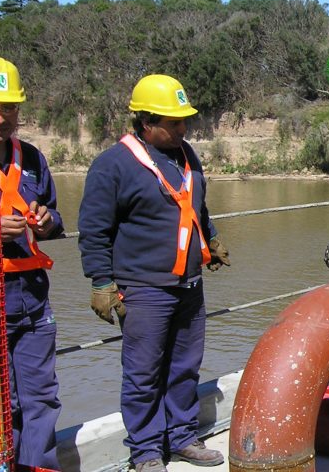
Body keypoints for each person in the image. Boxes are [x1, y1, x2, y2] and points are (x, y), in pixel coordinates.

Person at [77, 74, 230, 472]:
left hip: (188, 284)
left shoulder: (186, 155)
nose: (183, 129)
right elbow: (94, 229)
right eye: (173, 123)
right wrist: (101, 281)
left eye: (184, 121)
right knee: (144, 374)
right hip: (145, 288)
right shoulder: (113, 166)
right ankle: (145, 451)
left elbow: (196, 207)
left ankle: (181, 437)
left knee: (184, 367)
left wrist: (210, 239)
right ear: (146, 123)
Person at [0, 56, 64, 471]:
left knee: (41, 394)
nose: (0, 118)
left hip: (32, 296)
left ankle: (37, 466)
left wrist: (46, 221)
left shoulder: (34, 159)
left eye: (9, 109)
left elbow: (56, 218)